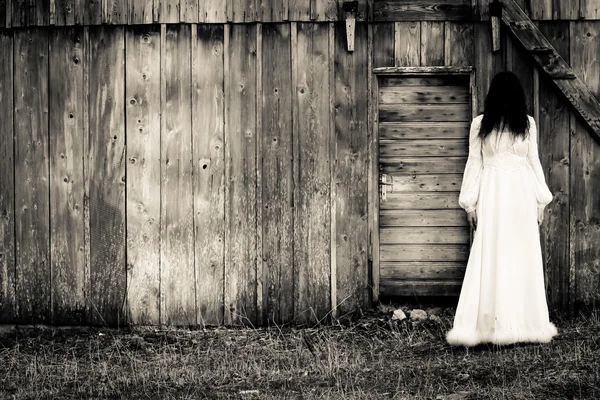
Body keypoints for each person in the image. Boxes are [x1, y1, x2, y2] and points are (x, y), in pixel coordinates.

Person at [446, 71, 558, 346]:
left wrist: (540, 201)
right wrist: (470, 203)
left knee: (521, 254)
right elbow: (475, 163)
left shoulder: (527, 125)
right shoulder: (480, 125)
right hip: (493, 194)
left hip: (521, 195)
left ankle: (524, 325)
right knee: (491, 253)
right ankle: (489, 326)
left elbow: (533, 162)